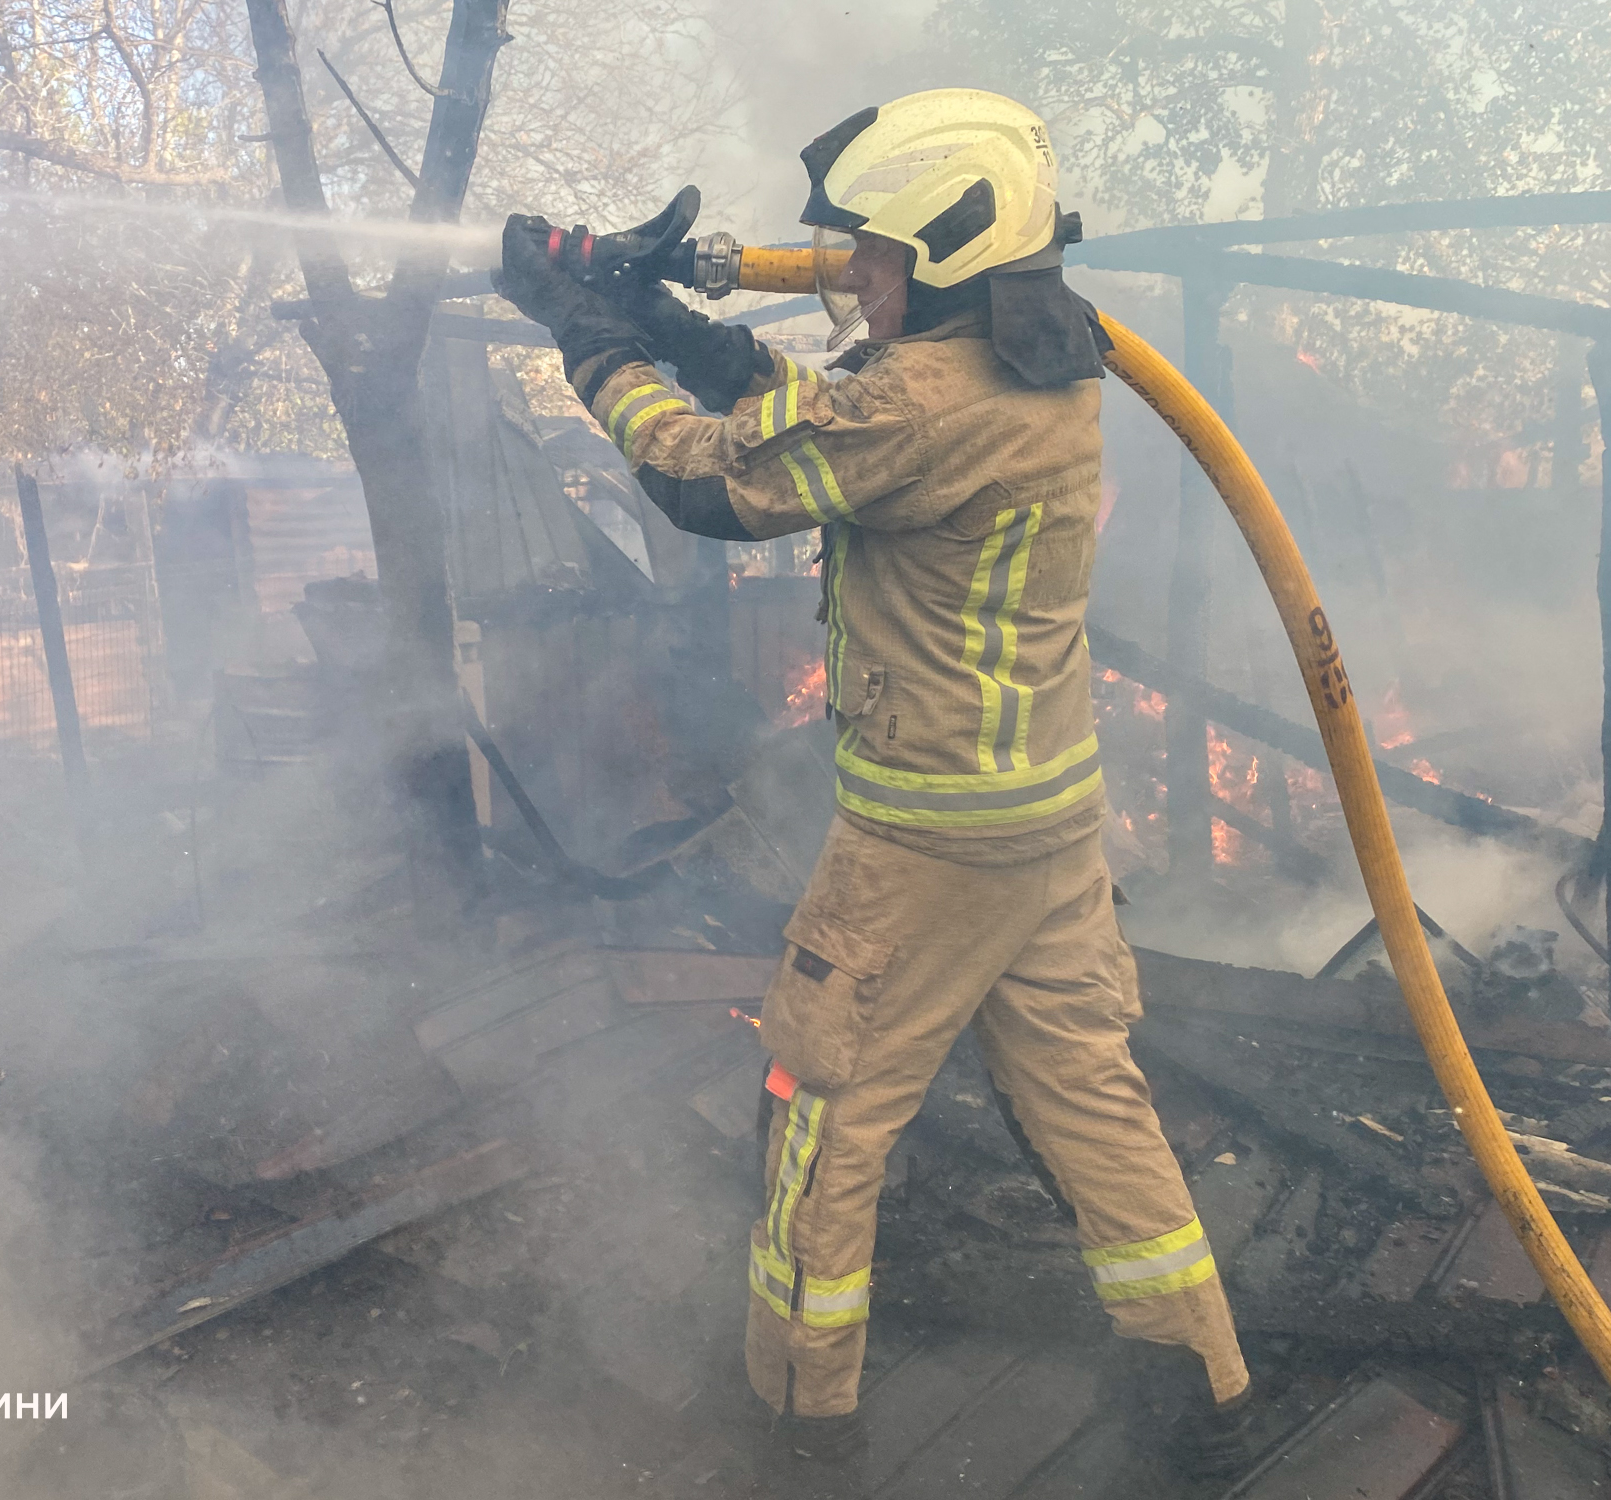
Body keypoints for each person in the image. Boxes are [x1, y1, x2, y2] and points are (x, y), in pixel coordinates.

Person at [491, 89, 1254, 1482]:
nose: (856, 278)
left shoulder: (926, 399)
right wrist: (664, 316)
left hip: (925, 845)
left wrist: (587, 334)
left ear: (951, 258)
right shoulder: (1044, 366)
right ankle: (1195, 1377)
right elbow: (824, 415)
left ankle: (798, 1416)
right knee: (1093, 1098)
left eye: (877, 259)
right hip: (1047, 833)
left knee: (819, 1113)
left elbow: (710, 479)